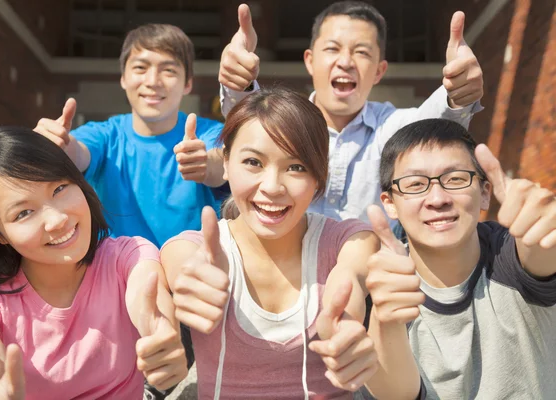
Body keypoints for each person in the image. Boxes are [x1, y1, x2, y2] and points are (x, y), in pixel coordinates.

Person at [159, 87, 423, 399]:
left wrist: (341, 327)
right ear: (226, 163)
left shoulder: (349, 241)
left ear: (318, 178)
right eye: (253, 162)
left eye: (296, 167)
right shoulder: (195, 248)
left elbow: (347, 281)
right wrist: (190, 291)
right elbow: (182, 263)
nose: (272, 187)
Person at [0, 127, 187, 399]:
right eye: (24, 213)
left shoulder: (127, 255)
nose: (57, 220)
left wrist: (161, 334)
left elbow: (147, 294)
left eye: (59, 188)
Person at [218, 2, 484, 226]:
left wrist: (458, 93)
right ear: (310, 60)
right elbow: (251, 122)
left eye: (361, 52)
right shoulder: (285, 122)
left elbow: (433, 125)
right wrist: (237, 82)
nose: (345, 62)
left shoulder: (393, 127)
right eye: (333, 49)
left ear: (379, 71)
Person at [365, 118, 556, 398]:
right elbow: (398, 395)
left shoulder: (511, 256)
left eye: (455, 179)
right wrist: (384, 320)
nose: (438, 198)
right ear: (390, 204)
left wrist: (545, 230)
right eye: (415, 184)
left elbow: (540, 254)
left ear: (485, 193)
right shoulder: (380, 285)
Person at [34, 23, 227, 248]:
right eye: (140, 68)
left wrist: (206, 164)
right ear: (123, 78)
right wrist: (57, 147)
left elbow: (222, 162)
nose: (153, 81)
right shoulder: (105, 135)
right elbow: (77, 151)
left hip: (192, 270)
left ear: (188, 83)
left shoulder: (208, 133)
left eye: (169, 70)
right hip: (118, 273)